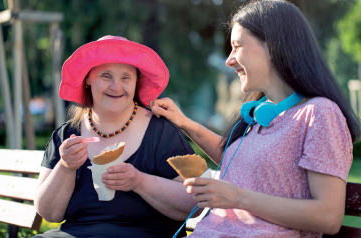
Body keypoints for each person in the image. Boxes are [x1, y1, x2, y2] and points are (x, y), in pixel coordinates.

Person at [150, 1, 361, 237]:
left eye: (237, 46)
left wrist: (238, 197)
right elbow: (241, 164)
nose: (229, 60)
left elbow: (328, 217)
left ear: (272, 46)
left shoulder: (320, 114)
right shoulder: (260, 114)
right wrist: (185, 123)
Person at [33, 35, 197, 238]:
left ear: (137, 82)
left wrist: (139, 182)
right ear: (87, 79)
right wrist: (65, 168)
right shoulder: (67, 134)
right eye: (106, 76)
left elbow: (195, 201)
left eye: (125, 78)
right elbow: (49, 212)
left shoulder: (162, 133)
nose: (116, 86)